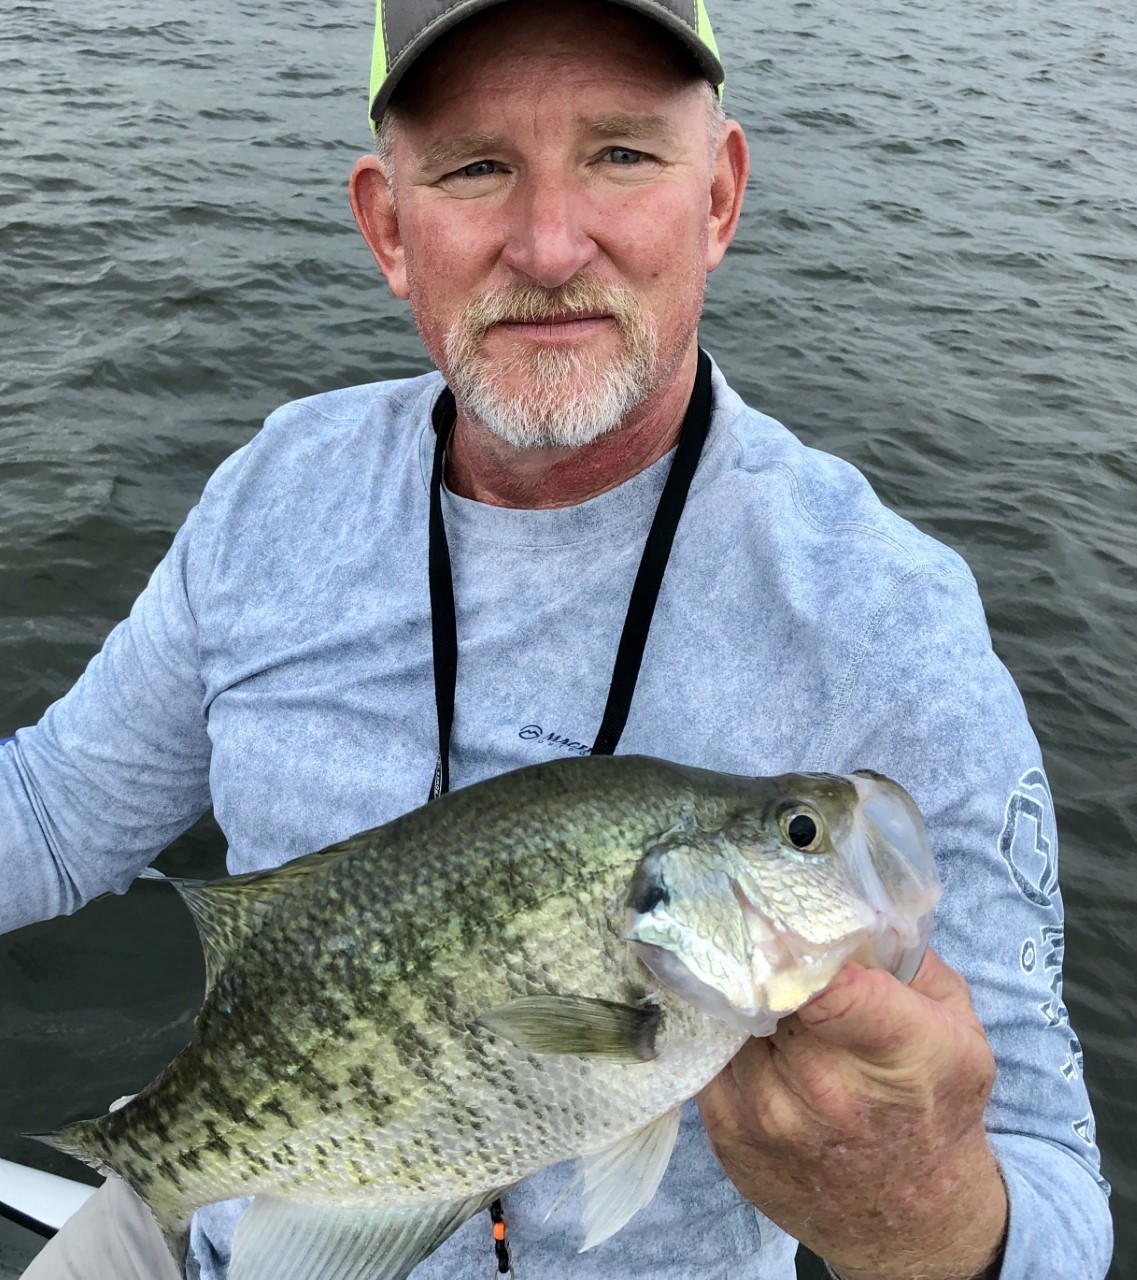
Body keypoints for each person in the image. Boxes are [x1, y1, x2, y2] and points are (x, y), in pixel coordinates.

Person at [2, 0, 1111, 1277]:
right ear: (388, 225)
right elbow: (43, 809)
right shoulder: (277, 492)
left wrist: (927, 1214)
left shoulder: (886, 620)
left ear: (719, 195)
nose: (546, 243)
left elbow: (1056, 1188)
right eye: (476, 165)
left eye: (622, 153)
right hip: (215, 1220)